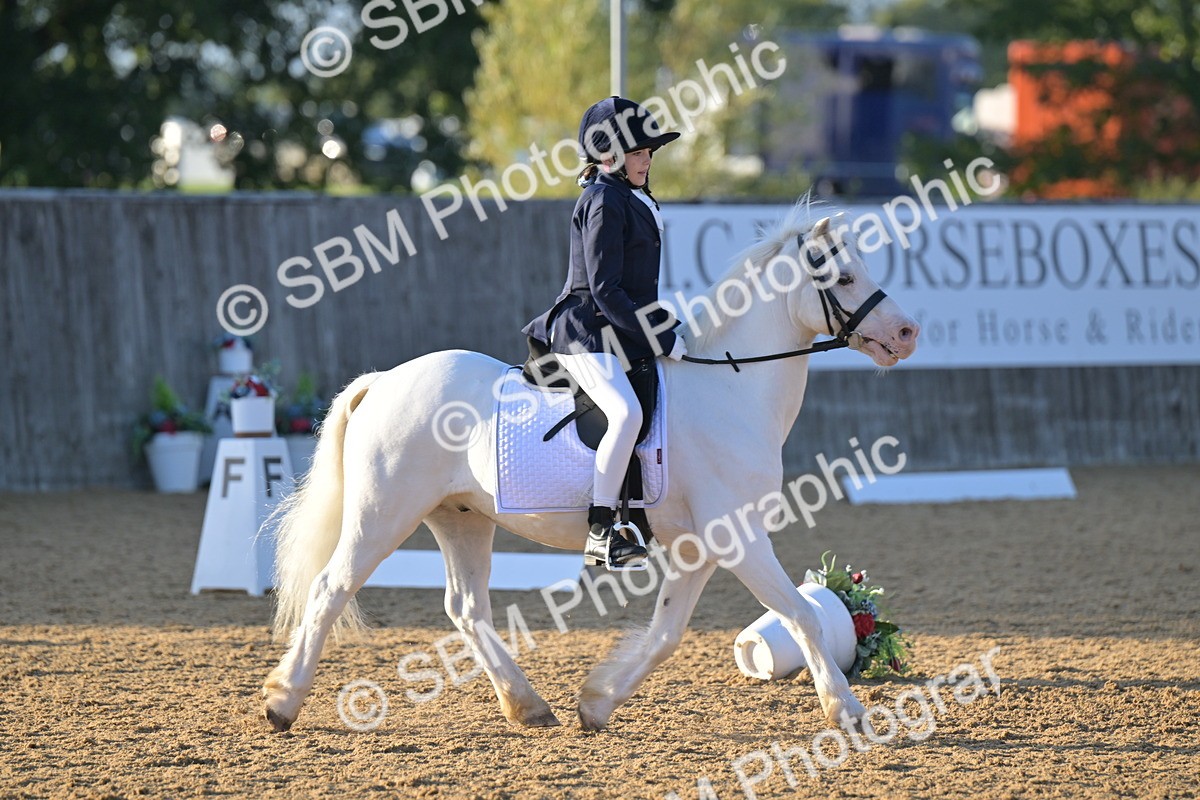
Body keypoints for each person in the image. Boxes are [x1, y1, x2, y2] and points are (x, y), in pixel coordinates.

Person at [522, 96, 687, 570]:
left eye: (649, 151)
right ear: (608, 155)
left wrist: (668, 326)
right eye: (637, 151)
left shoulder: (632, 198)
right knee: (626, 414)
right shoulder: (602, 199)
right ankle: (599, 530)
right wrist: (660, 337)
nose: (647, 159)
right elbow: (606, 289)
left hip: (613, 328)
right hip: (584, 330)